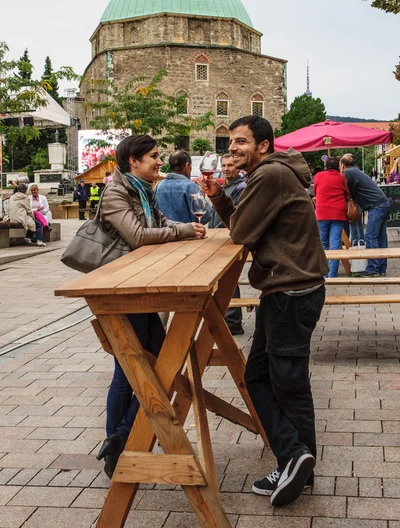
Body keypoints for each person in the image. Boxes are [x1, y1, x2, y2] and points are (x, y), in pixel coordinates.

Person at [200, 115, 328, 507]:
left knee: (286, 383)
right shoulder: (270, 174)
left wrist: (223, 201)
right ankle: (296, 462)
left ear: (264, 146)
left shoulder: (269, 176)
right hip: (288, 289)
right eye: (231, 142)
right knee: (259, 376)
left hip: (290, 292)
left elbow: (240, 233)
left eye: (242, 141)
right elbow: (246, 225)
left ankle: (295, 458)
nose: (233, 147)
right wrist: (221, 196)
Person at [96, 134, 205, 479]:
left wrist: (188, 228)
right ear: (134, 161)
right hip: (121, 290)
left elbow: (159, 222)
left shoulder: (142, 190)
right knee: (128, 370)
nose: (160, 162)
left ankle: (119, 439)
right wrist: (183, 230)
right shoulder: (116, 192)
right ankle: (120, 441)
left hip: (139, 286)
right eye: (154, 157)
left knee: (160, 361)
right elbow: (138, 235)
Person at [209, 153, 247, 335]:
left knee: (229, 279)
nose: (226, 169)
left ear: (237, 166)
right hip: (219, 238)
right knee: (223, 278)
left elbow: (236, 214)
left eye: (229, 165)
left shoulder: (241, 187)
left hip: (229, 238)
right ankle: (225, 318)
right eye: (223, 166)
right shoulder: (225, 185)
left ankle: (232, 321)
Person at [340, 154, 389, 277]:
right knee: (381, 237)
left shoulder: (348, 173)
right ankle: (381, 268)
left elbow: (349, 192)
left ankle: (373, 269)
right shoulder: (356, 170)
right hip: (383, 202)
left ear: (342, 165)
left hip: (376, 206)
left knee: (370, 236)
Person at [155, 150, 211, 224]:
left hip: (165, 234)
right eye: (190, 166)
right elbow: (206, 216)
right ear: (187, 166)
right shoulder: (190, 186)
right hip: (188, 233)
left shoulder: (158, 186)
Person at [313, 157, 347, 278]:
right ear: (337, 166)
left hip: (322, 212)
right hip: (338, 212)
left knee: (322, 243)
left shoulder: (318, 176)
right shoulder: (341, 177)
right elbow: (346, 192)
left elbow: (315, 192)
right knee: (335, 243)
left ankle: (322, 273)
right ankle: (332, 274)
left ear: (326, 166)